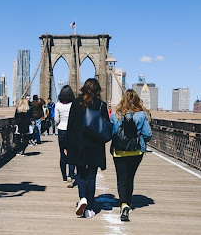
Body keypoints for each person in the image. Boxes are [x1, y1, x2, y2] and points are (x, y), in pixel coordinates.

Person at [65, 78, 110, 218]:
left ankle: (82, 198)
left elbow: (70, 125)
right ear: (97, 90)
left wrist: (66, 145)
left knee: (80, 174)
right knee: (92, 176)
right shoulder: (101, 105)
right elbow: (105, 126)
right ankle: (89, 208)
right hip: (95, 146)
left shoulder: (75, 103)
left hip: (78, 145)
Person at [110, 89, 152, 221]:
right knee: (130, 177)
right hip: (136, 150)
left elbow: (112, 132)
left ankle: (123, 204)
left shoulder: (115, 115)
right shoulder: (142, 115)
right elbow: (148, 134)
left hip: (119, 151)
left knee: (121, 178)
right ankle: (128, 202)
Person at [55, 86, 76, 187]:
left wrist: (59, 124)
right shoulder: (74, 104)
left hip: (61, 130)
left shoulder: (58, 105)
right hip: (72, 131)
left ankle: (64, 176)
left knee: (62, 153)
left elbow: (56, 119)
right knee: (72, 153)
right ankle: (71, 175)